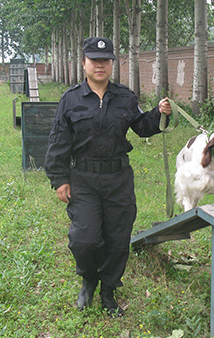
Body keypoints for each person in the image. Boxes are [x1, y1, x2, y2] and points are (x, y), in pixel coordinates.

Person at [44, 36, 172, 317]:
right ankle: (89, 279)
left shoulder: (125, 97)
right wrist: (59, 178)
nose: (99, 65)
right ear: (84, 63)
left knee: (117, 239)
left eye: (105, 60)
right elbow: (58, 142)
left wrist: (160, 114)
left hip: (118, 180)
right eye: (94, 60)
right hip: (84, 179)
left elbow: (142, 126)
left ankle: (108, 291)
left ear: (112, 64)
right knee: (85, 240)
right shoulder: (71, 99)